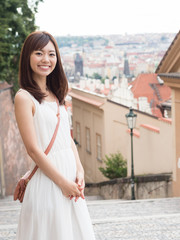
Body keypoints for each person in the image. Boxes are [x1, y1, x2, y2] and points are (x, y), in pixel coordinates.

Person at [15, 31, 96, 240]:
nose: (46, 60)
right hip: (49, 180)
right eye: (39, 53)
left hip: (68, 176)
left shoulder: (57, 93)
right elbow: (33, 149)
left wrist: (79, 170)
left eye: (51, 54)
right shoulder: (24, 97)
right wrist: (62, 182)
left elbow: (66, 137)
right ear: (28, 57)